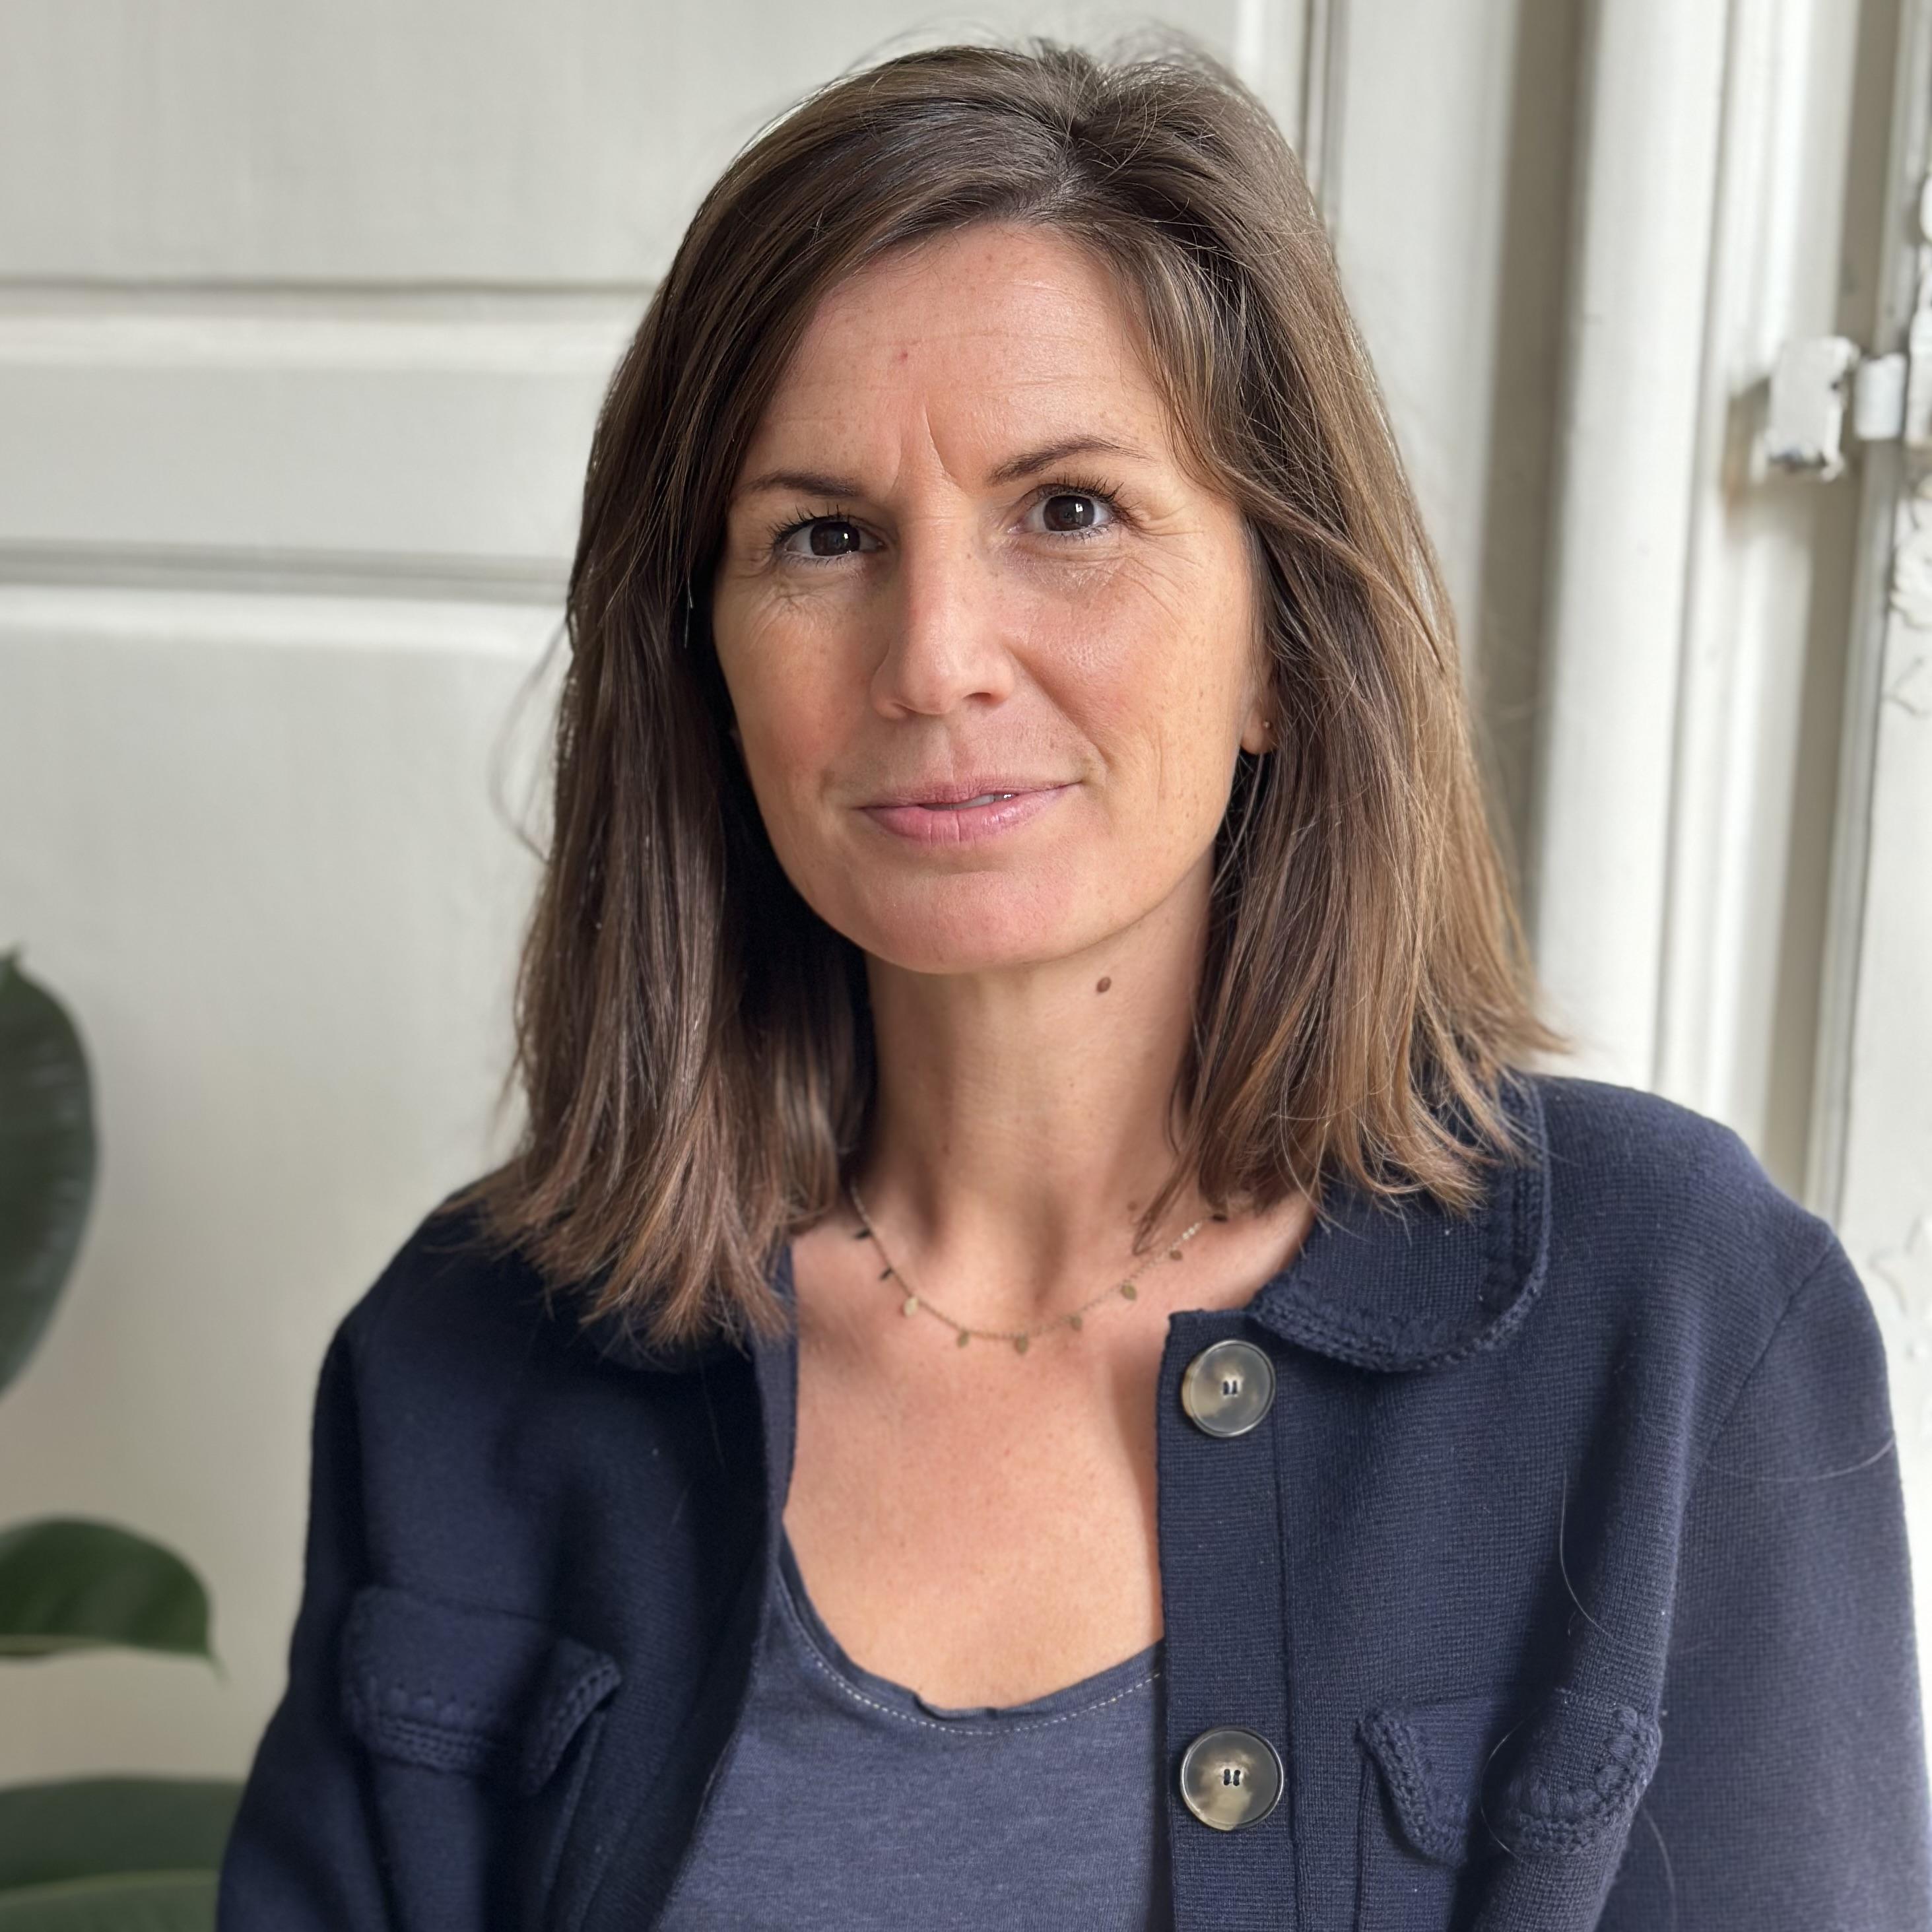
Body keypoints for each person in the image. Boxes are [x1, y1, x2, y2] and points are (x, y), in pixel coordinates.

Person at [216, 36, 1932, 1932]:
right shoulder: (464, 1356)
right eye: (824, 538)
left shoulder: (1674, 1316)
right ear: (706, 671)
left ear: (1281, 640)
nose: (935, 657)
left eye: (1072, 512)